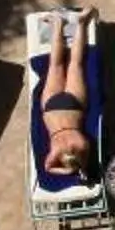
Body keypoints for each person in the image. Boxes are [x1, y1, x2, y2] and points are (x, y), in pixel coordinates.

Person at [39, 10, 97, 178]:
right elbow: (48, 168)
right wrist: (68, 170)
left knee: (75, 64)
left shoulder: (82, 146)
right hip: (51, 107)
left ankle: (81, 23)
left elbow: (82, 165)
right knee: (55, 65)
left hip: (74, 106)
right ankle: (57, 24)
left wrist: (76, 169)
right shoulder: (56, 151)